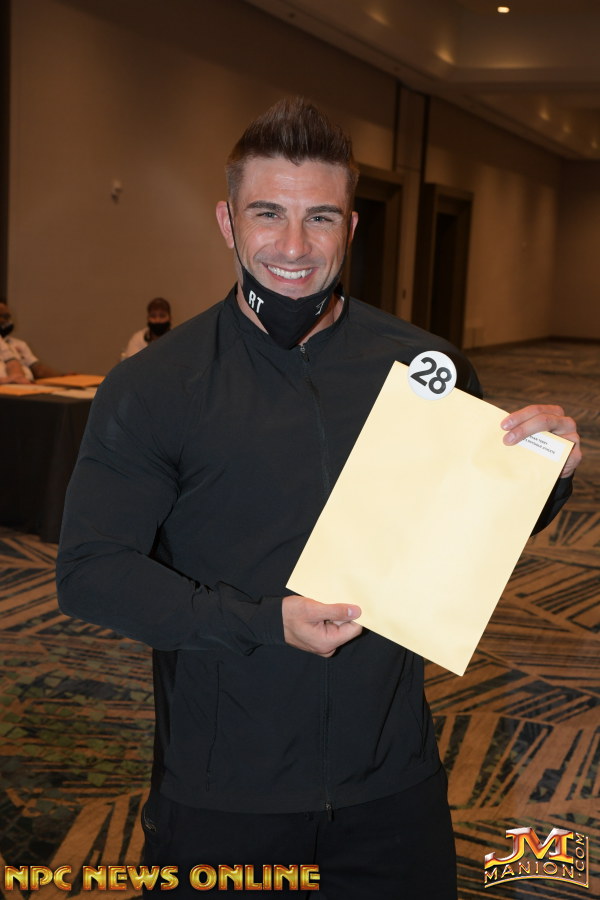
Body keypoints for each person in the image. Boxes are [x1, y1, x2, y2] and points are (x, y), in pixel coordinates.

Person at [56, 98, 582, 899]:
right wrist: (265, 622)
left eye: (321, 218)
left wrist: (545, 473)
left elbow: (466, 536)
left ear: (351, 227)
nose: (294, 246)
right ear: (228, 222)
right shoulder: (155, 385)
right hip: (226, 793)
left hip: (392, 783)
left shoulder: (423, 367)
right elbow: (91, 572)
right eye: (268, 213)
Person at [0, 299, 62, 382]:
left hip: (19, 385)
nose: (3, 320)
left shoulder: (16, 344)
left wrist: (17, 377)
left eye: (6, 317)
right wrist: (7, 380)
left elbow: (13, 363)